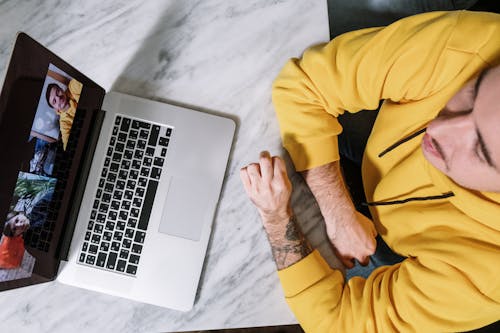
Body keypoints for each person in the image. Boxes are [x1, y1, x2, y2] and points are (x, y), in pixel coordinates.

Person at [240, 10, 500, 332]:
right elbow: (306, 84)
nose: (438, 128)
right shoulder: (478, 43)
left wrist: (278, 220)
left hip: (398, 252)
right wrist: (338, 210)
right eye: (472, 93)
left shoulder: (490, 282)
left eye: (481, 151)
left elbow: (338, 324)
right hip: (373, 143)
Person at [45, 79, 83, 150]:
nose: (58, 98)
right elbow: (67, 145)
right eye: (54, 101)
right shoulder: (64, 122)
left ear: (62, 89)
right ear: (55, 109)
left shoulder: (72, 87)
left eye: (58, 92)